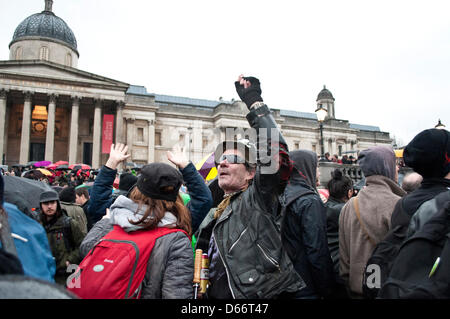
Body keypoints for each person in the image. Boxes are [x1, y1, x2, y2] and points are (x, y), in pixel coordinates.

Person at [194, 75, 305, 299]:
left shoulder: (259, 199)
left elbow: (276, 155)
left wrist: (254, 102)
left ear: (251, 173)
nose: (222, 162)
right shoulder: (215, 209)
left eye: (232, 159)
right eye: (221, 159)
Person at [79, 144, 194, 298]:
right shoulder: (176, 239)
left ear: (137, 189)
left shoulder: (114, 220)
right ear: (175, 194)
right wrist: (186, 167)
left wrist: (111, 164)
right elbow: (176, 294)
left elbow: (85, 249)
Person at [338, 146, 406, 298]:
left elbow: (344, 260)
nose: (397, 168)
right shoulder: (399, 205)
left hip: (357, 289)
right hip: (390, 290)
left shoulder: (349, 205)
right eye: (394, 163)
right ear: (385, 167)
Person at [280, 150, 335, 298]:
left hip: (281, 283)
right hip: (305, 285)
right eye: (316, 166)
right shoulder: (309, 200)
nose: (317, 171)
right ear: (306, 167)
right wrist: (327, 290)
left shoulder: (279, 195)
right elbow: (317, 250)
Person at [38, 190, 85, 285]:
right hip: (46, 273)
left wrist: (70, 260)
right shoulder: (37, 226)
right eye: (46, 203)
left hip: (69, 272)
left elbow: (82, 245)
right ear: (41, 205)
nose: (49, 206)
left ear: (57, 204)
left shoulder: (70, 224)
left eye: (52, 203)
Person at [324, 169, 354, 298]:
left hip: (327, 263)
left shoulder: (324, 206)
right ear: (349, 193)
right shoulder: (344, 211)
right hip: (340, 265)